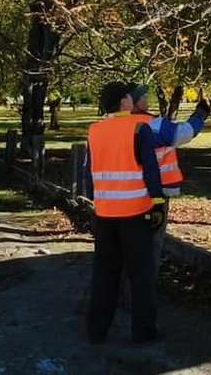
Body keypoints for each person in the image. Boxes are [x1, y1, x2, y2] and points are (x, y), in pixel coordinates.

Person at [84, 81, 166, 344]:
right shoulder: (138, 128)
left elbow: (90, 173)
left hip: (104, 214)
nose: (135, 100)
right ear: (124, 103)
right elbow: (150, 171)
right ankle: (144, 332)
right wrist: (157, 203)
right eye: (131, 97)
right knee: (141, 276)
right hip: (135, 213)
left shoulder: (94, 131)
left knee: (105, 275)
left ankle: (96, 330)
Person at [127, 84, 210, 274]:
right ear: (134, 102)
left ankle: (126, 290)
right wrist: (200, 116)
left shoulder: (112, 126)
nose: (147, 100)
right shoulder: (154, 125)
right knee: (151, 243)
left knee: (127, 244)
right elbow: (184, 133)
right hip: (155, 192)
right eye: (143, 97)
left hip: (123, 194)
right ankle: (144, 288)